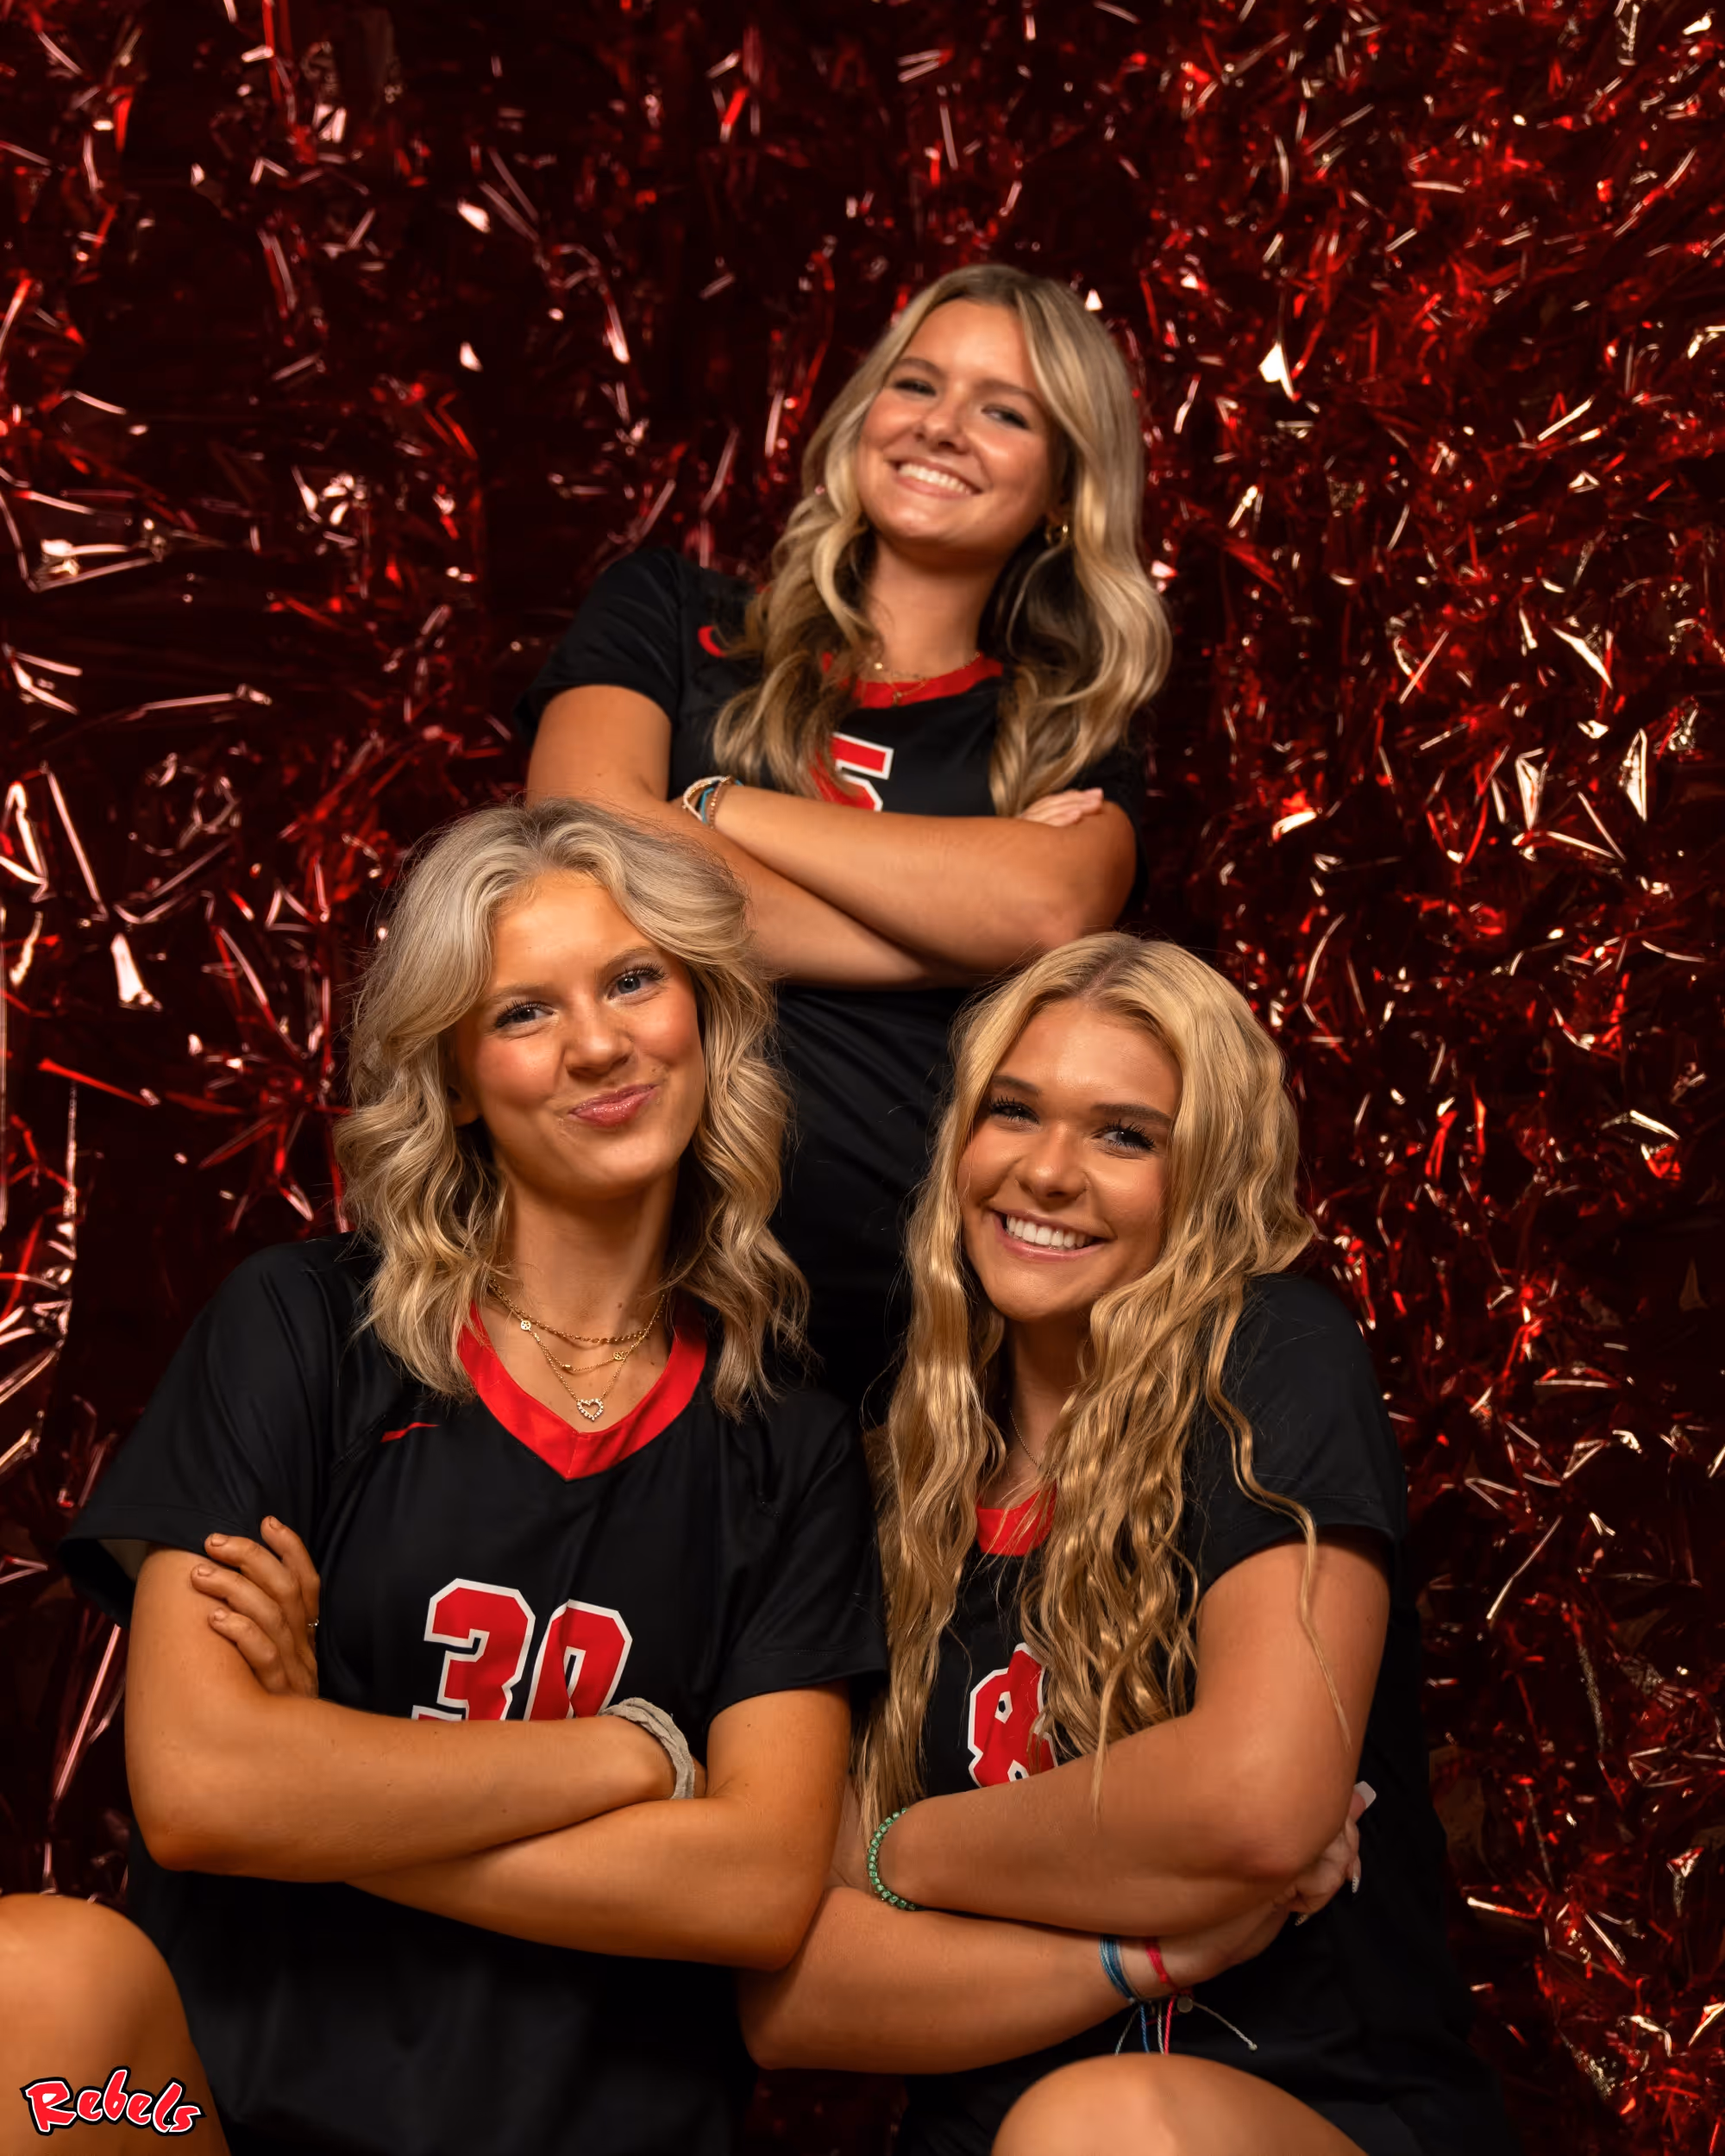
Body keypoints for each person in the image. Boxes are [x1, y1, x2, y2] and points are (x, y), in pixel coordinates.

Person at [42, 800, 888, 2156]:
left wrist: (325, 1774)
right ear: (452, 1076)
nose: (599, 1044)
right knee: (32, 1996)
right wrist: (636, 1756)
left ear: (705, 1015)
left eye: (631, 981)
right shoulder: (303, 1331)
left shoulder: (787, 1440)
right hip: (210, 2121)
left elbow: (755, 1888)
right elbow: (203, 1793)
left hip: (588, 2134)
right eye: (522, 1014)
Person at [739, 934, 1521, 2156]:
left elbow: (1259, 1804)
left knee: (1091, 2128)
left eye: (1124, 1135)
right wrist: (1152, 1948)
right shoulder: (881, 1474)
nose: (1047, 1172)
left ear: (1204, 1176)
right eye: (1014, 1112)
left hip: (1313, 2116)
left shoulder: (1270, 1360)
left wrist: (889, 1855)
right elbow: (795, 1999)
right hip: (996, 2134)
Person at [519, 262, 1170, 1409]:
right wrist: (938, 933)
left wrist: (711, 808)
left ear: (1066, 487)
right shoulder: (673, 617)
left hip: (889, 1327)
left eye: (1003, 411)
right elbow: (583, 845)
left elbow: (1045, 912)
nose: (943, 427)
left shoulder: (1060, 733)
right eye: (918, 384)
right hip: (620, 1274)